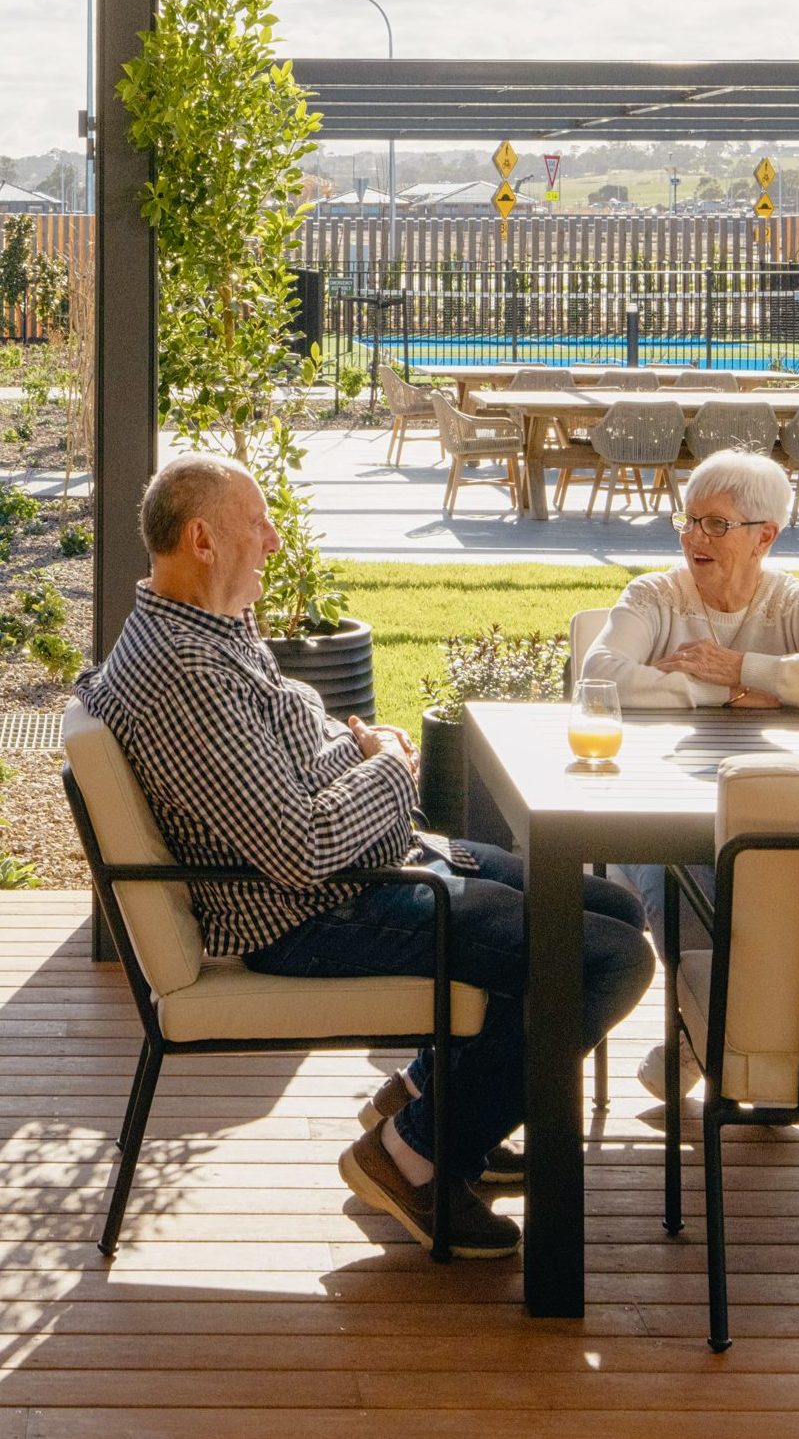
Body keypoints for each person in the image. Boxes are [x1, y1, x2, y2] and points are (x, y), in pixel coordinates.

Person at [75, 453, 653, 1260]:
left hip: (364, 872)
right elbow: (302, 847)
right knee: (608, 957)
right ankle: (412, 1151)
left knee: (616, 908)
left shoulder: (203, 631)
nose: (274, 540)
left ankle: (434, 1094)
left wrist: (358, 751)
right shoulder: (186, 674)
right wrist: (385, 764)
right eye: (258, 523)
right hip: (317, 913)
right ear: (202, 539)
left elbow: (282, 766)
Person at [582, 448, 799, 1099]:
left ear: (764, 537)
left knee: (798, 874)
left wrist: (747, 668)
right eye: (688, 520)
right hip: (651, 811)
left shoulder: (794, 604)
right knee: (684, 874)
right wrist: (722, 694)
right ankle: (724, 1037)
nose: (695, 537)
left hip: (774, 810)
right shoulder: (654, 596)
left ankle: (742, 1035)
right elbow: (601, 675)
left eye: (715, 524)